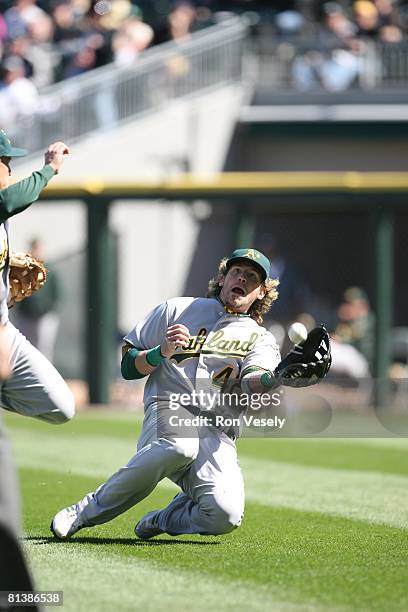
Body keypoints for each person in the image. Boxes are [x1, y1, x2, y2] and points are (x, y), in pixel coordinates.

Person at [51, 248, 330, 540]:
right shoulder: (176, 309)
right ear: (222, 278)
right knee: (180, 446)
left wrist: (276, 376)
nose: (242, 279)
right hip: (167, 411)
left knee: (226, 515)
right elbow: (127, 367)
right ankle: (83, 512)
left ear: (261, 292)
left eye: (252, 277)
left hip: (217, 432)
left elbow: (252, 382)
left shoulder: (260, 338)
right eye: (236, 272)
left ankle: (166, 518)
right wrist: (161, 352)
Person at [0, 129, 75, 424]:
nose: (9, 168)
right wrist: (49, 169)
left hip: (3, 328)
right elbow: (8, 202)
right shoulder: (4, 203)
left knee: (61, 407)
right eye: (6, 160)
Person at [14, 238, 62, 362]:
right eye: (35, 248)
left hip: (45, 317)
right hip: (26, 315)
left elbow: (57, 294)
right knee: (23, 347)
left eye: (39, 248)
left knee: (44, 348)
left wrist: (47, 309)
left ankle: (44, 377)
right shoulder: (24, 267)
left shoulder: (50, 269)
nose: (37, 251)